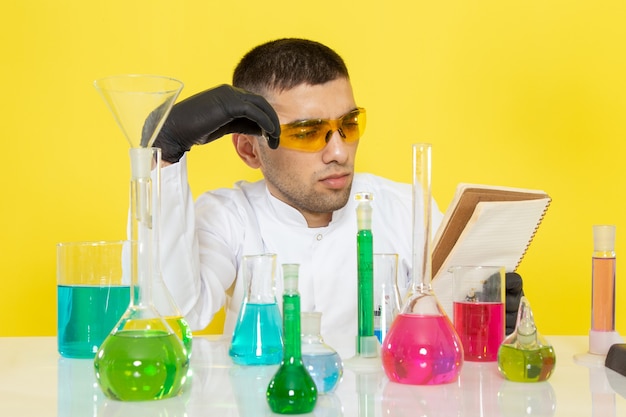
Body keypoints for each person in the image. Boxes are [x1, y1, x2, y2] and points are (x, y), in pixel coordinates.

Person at [154, 38, 523, 338]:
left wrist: (500, 320)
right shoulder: (229, 216)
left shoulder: (406, 209)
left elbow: (448, 320)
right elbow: (177, 315)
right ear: (250, 148)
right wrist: (163, 154)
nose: (338, 151)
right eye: (307, 132)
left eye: (348, 124)